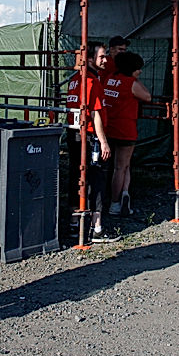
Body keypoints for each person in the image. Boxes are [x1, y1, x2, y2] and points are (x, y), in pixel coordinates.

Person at [65, 42, 113, 242]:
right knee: (97, 179)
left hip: (74, 133)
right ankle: (97, 227)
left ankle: (74, 223)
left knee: (76, 176)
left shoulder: (75, 80)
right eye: (101, 56)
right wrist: (103, 142)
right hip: (90, 136)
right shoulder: (92, 82)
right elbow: (95, 114)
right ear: (91, 59)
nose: (105, 60)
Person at [103, 51, 151, 219]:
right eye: (138, 69)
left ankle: (124, 193)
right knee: (121, 167)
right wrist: (135, 79)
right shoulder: (131, 83)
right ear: (131, 69)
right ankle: (115, 203)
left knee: (123, 166)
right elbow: (147, 96)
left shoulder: (109, 79)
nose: (140, 71)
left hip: (110, 127)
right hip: (126, 129)